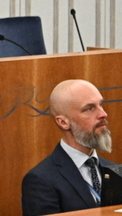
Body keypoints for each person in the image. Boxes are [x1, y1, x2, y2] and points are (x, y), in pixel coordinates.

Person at [21, 79, 116, 216]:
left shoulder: (114, 170)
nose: (103, 114)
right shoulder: (41, 180)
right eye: (89, 108)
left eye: (101, 104)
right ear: (63, 122)